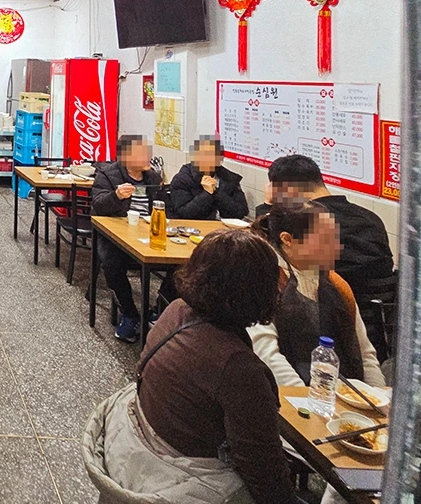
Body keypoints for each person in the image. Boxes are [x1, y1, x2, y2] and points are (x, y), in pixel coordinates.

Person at [83, 230, 303, 504]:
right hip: (182, 478)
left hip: (134, 443)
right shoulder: (239, 369)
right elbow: (264, 472)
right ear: (259, 290)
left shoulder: (176, 310)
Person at [257, 153, 395, 357]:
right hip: (380, 330)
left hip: (329, 332)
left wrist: (268, 206)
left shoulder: (311, 223)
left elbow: (264, 246)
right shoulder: (371, 218)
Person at [249, 204, 385, 388]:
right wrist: (306, 398)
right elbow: (267, 354)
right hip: (289, 395)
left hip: (342, 395)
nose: (336, 246)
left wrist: (376, 394)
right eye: (324, 239)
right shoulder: (263, 279)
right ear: (287, 239)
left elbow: (365, 354)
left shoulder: (337, 284)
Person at [90, 135, 166, 343]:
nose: (147, 157)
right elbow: (98, 205)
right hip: (114, 234)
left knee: (182, 264)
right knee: (111, 262)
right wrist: (116, 196)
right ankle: (129, 313)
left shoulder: (153, 178)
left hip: (148, 233)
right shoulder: (108, 175)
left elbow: (166, 207)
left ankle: (158, 310)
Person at [168, 136, 248, 220]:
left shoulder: (228, 178)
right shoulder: (182, 179)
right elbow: (183, 213)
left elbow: (242, 211)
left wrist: (216, 192)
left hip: (224, 226)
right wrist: (207, 194)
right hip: (195, 225)